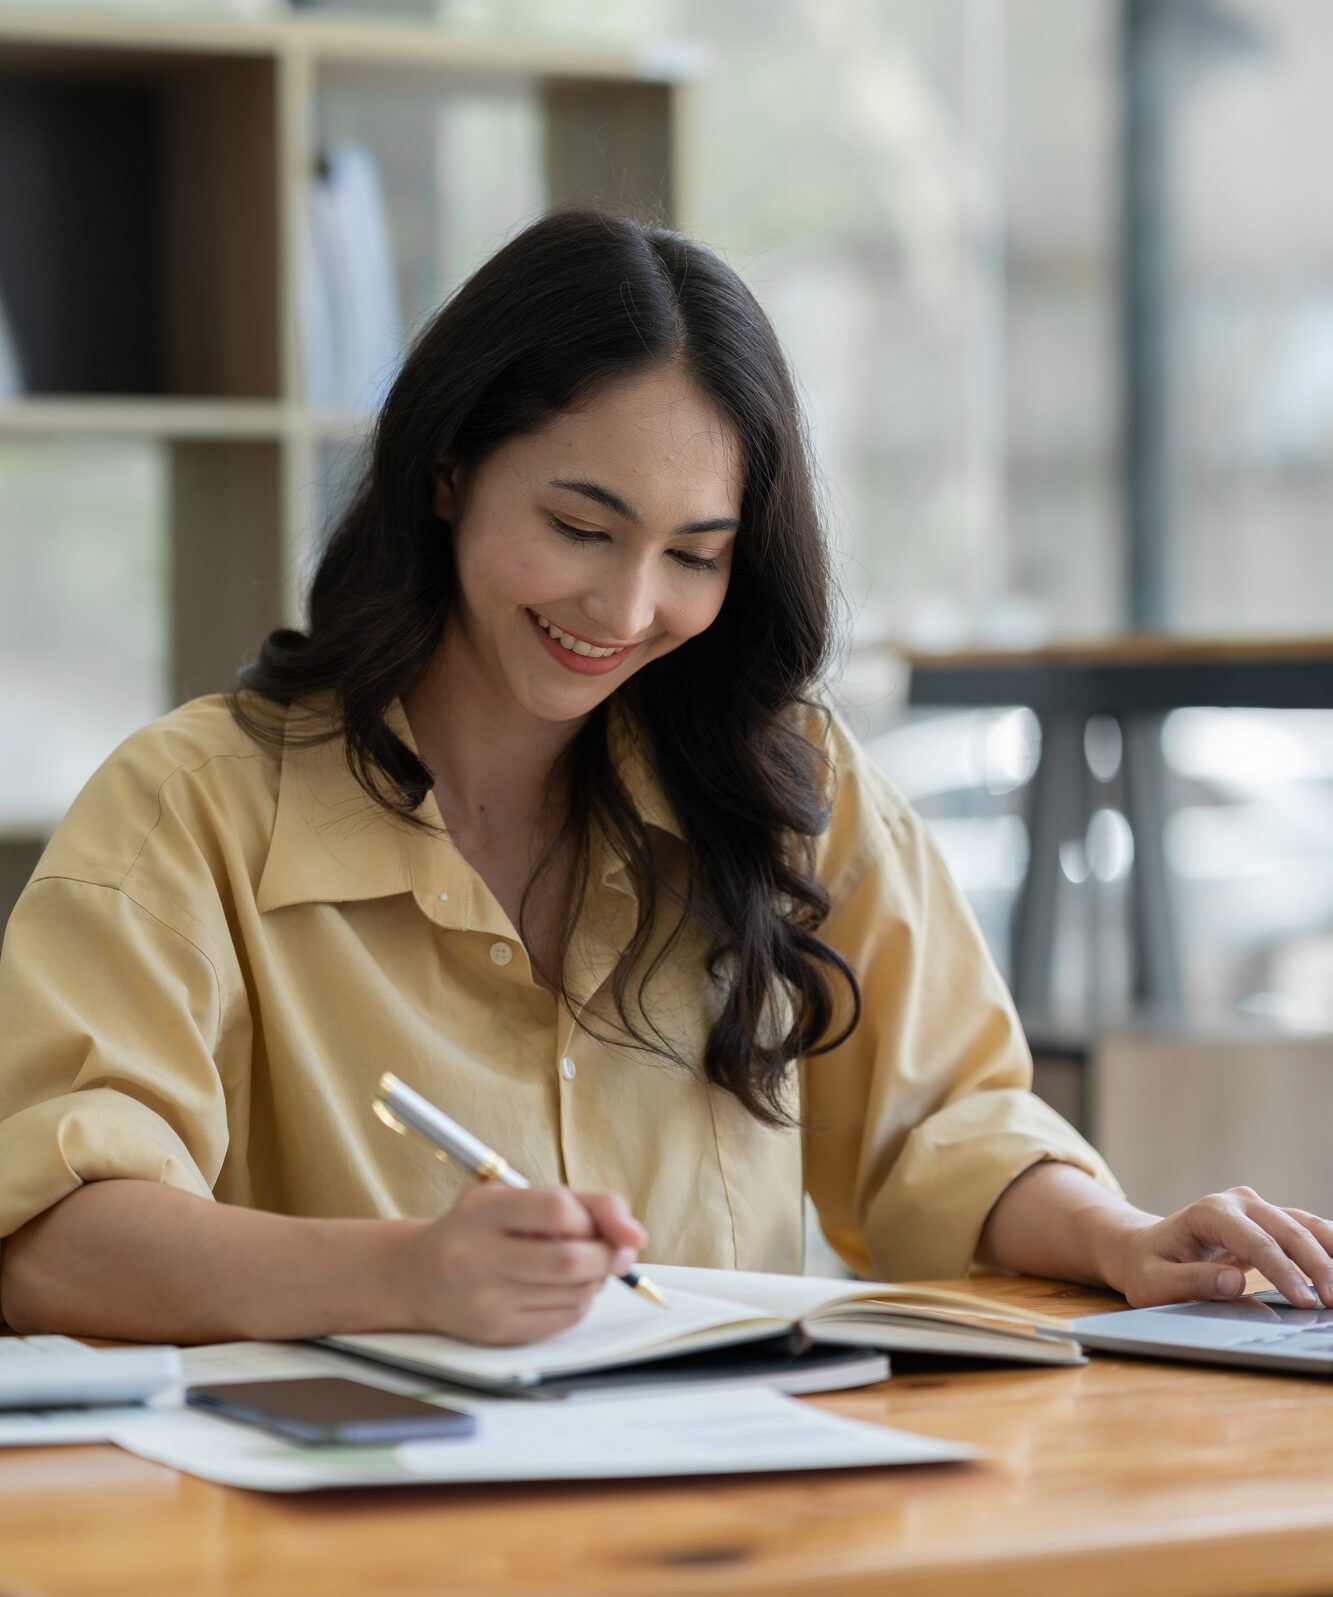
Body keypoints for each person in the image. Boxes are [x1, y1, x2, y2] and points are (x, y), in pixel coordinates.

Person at [2, 209, 1330, 1348]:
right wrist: (404, 1274)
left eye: (693, 554)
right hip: (355, 1521)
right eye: (580, 527)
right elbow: (54, 1237)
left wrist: (1123, 1239)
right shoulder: (191, 807)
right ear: (451, 468)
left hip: (725, 1501)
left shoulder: (786, 781)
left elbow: (939, 1130)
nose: (625, 605)